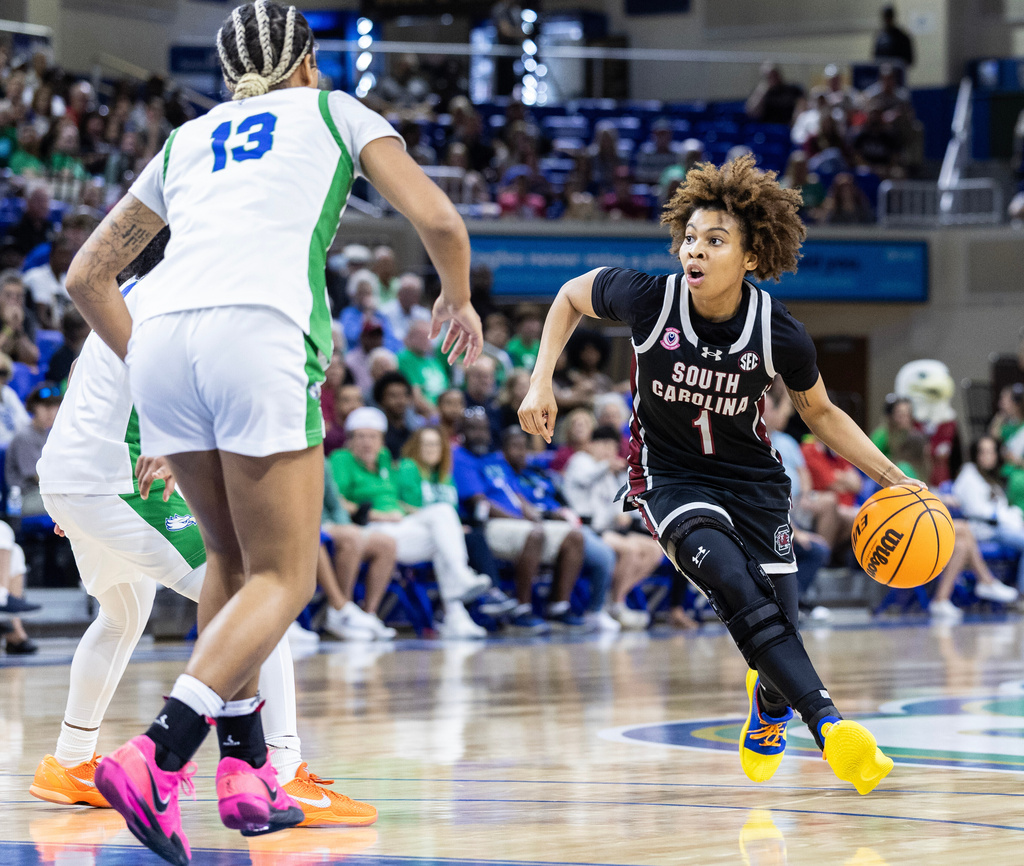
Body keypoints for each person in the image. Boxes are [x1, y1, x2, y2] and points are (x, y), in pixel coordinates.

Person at [64, 4, 483, 861]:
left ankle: (245, 772)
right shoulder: (334, 111)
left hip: (161, 338)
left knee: (232, 566)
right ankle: (159, 753)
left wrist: (154, 361)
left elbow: (87, 275)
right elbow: (439, 220)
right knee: (286, 578)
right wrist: (457, 295)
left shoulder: (187, 138)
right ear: (308, 63)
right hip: (256, 331)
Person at [519, 153, 910, 795]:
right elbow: (568, 297)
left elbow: (821, 412)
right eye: (690, 238)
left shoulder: (779, 332)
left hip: (754, 482)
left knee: (777, 629)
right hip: (668, 475)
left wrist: (895, 476)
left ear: (751, 258)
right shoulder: (650, 299)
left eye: (715, 240)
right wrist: (541, 384)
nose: (694, 251)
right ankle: (832, 727)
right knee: (733, 588)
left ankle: (774, 706)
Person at [32, 246, 375, 826]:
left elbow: (84, 377)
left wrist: (73, 486)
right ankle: (284, 774)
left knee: (121, 614)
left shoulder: (133, 293)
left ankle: (69, 762)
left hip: (73, 473)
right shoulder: (180, 295)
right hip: (117, 478)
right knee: (261, 599)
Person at [329, 407, 490, 639]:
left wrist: (407, 512)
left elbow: (396, 501)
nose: (367, 443)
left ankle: (456, 611)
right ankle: (457, 595)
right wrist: (376, 514)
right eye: (361, 436)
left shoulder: (384, 459)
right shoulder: (341, 459)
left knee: (443, 527)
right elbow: (338, 501)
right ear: (350, 440)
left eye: (373, 436)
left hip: (399, 525)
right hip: (369, 528)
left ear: (381, 440)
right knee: (443, 529)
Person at [952, 436, 1024, 595]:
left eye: (991, 452)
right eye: (983, 452)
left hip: (999, 527)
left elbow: (1001, 506)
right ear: (976, 454)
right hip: (982, 529)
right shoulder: (969, 473)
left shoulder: (992, 477)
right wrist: (1005, 517)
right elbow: (976, 509)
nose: (988, 456)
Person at [6, 382, 61, 516]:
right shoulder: (24, 436)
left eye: (55, 406)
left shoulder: (51, 434)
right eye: (46, 406)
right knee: (69, 503)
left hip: (45, 493)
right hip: (25, 497)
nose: (52, 412)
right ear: (34, 407)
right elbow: (38, 477)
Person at [873, 4, 914, 69]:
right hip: (883, 73)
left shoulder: (902, 37)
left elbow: (909, 60)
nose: (887, 20)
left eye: (889, 17)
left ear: (893, 17)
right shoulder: (880, 37)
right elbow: (875, 58)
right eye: (886, 17)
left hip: (898, 73)